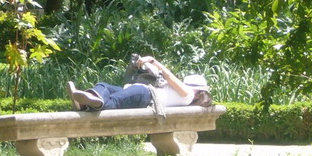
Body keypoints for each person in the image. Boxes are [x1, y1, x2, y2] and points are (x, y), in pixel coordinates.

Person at [67, 56, 213, 111]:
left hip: (145, 94)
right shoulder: (183, 97)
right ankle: (87, 101)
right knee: (104, 86)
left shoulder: (187, 94)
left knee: (113, 102)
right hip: (141, 92)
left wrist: (153, 61)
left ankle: (95, 103)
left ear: (195, 89)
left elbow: (169, 76)